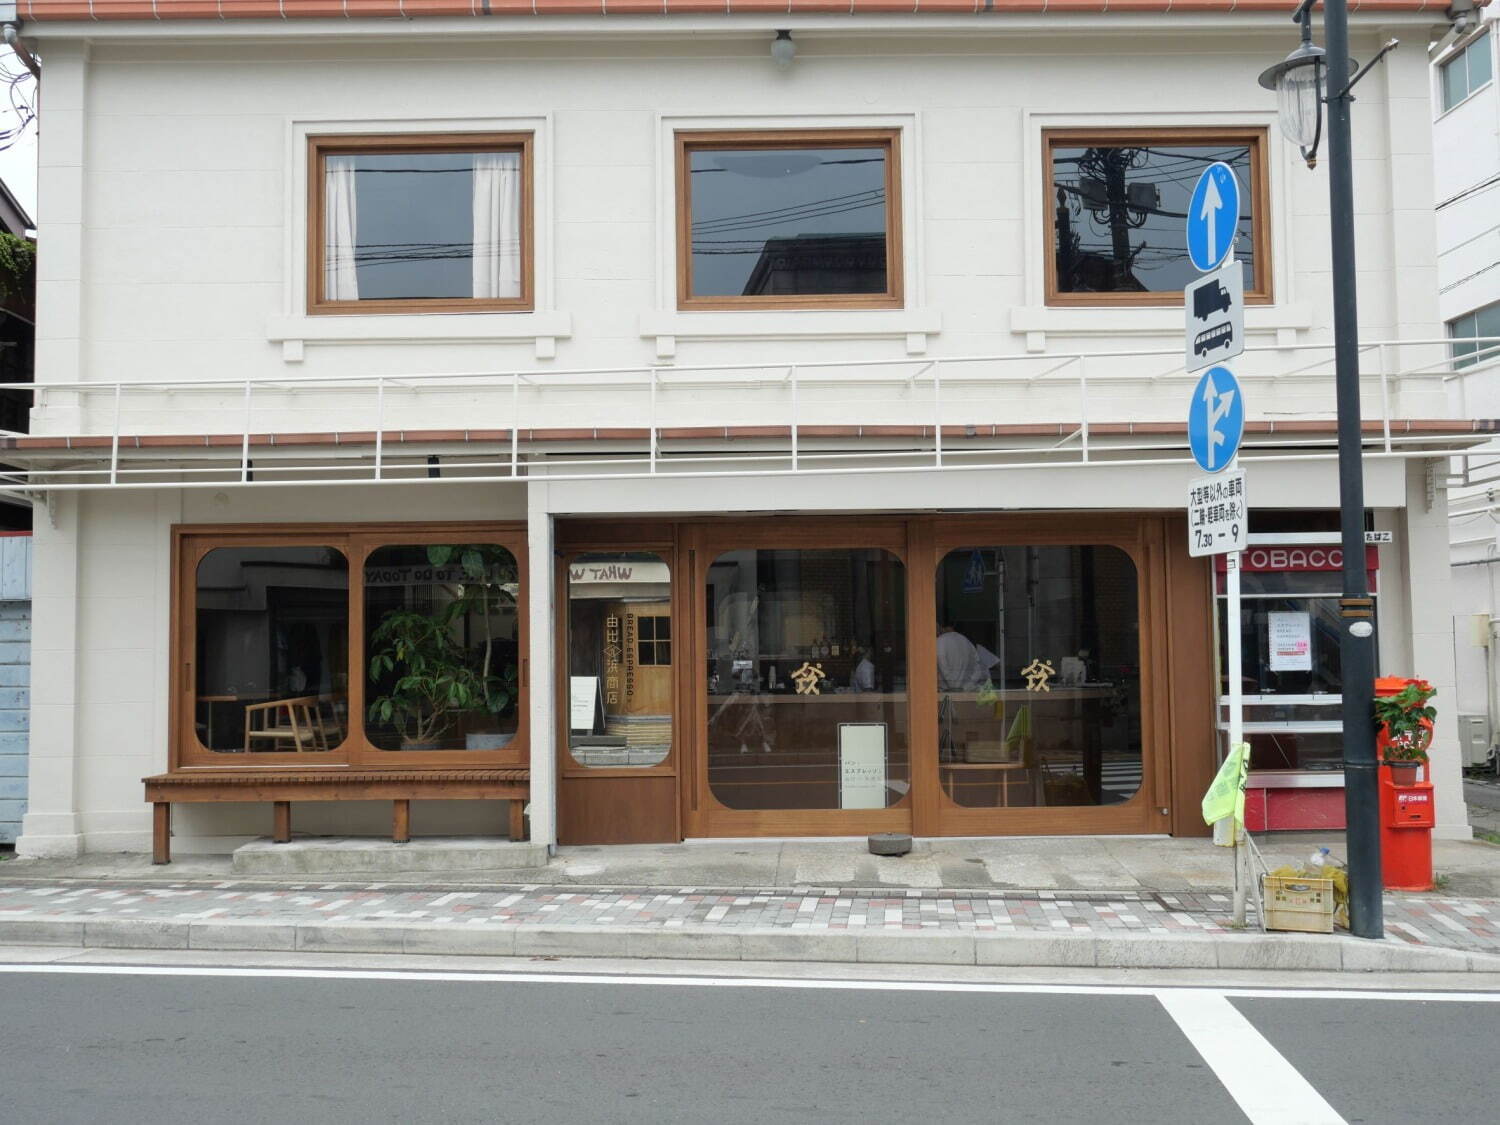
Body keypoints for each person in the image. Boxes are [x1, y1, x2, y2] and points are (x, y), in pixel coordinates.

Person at [937, 621, 985, 692]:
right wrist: (968, 685)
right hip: (965, 692)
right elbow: (978, 668)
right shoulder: (967, 642)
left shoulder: (940, 641)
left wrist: (952, 684)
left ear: (942, 628)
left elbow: (942, 662)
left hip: (945, 692)